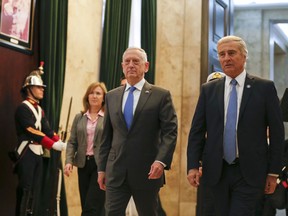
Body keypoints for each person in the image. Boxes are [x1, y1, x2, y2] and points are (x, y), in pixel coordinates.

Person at [187, 35, 285, 216]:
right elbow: (197, 131)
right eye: (222, 54)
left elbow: (278, 133)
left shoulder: (264, 88)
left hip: (250, 172)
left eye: (231, 53)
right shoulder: (209, 90)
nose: (226, 58)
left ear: (244, 56)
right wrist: (193, 165)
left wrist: (273, 172)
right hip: (216, 171)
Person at [97, 47, 178, 215]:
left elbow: (170, 132)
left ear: (146, 66)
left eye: (136, 61)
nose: (131, 65)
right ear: (122, 66)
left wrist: (161, 161)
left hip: (147, 172)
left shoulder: (160, 95)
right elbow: (106, 137)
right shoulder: (111, 96)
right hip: (116, 171)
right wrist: (102, 169)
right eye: (127, 62)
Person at [14, 64, 66, 216]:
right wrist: (52, 145)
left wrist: (59, 141)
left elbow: (48, 130)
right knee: (25, 188)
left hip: (37, 152)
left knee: (34, 191)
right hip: (26, 152)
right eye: (39, 87)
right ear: (29, 89)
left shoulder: (39, 109)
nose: (43, 89)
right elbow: (31, 130)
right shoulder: (23, 108)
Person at [64, 82, 107, 215]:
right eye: (91, 93)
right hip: (83, 164)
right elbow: (72, 142)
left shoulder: (108, 118)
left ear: (104, 98)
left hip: (100, 166)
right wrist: (69, 161)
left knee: (91, 207)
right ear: (87, 96)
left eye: (98, 93)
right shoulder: (79, 117)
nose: (94, 96)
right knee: (86, 204)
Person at [196, 71, 226, 216]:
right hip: (209, 168)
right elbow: (198, 139)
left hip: (230, 168)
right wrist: (198, 164)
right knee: (208, 207)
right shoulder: (204, 108)